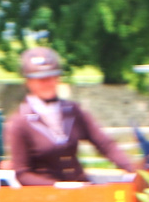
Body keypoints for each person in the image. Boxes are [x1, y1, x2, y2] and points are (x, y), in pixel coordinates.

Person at [8, 47, 137, 185]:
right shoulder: (20, 123)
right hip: (46, 196)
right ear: (28, 82)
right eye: (40, 79)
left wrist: (132, 169)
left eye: (51, 77)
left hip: (80, 186)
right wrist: (58, 186)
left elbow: (105, 144)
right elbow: (22, 173)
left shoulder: (72, 111)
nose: (47, 83)